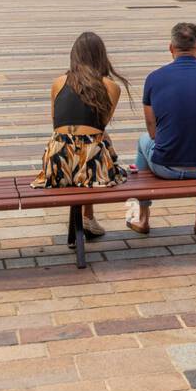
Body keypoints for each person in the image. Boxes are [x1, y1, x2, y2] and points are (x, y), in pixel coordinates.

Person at [127, 21, 196, 238]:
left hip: (164, 167)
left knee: (142, 140)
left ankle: (142, 216)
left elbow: (153, 131)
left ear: (170, 47)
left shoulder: (154, 78)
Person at [31, 31, 131, 238]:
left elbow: (56, 124)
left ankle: (88, 218)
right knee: (94, 149)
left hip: (57, 162)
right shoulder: (111, 87)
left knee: (82, 147)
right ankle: (88, 217)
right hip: (92, 167)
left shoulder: (58, 82)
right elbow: (99, 128)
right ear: (101, 57)